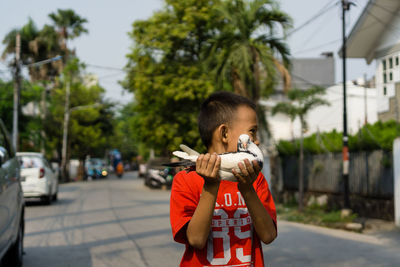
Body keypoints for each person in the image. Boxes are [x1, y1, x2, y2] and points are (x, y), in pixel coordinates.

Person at [170, 91, 277, 267]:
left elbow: (268, 236)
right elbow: (196, 240)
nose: (256, 141)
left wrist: (247, 189)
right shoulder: (186, 180)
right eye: (253, 132)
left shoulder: (255, 180)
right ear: (224, 133)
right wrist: (211, 186)